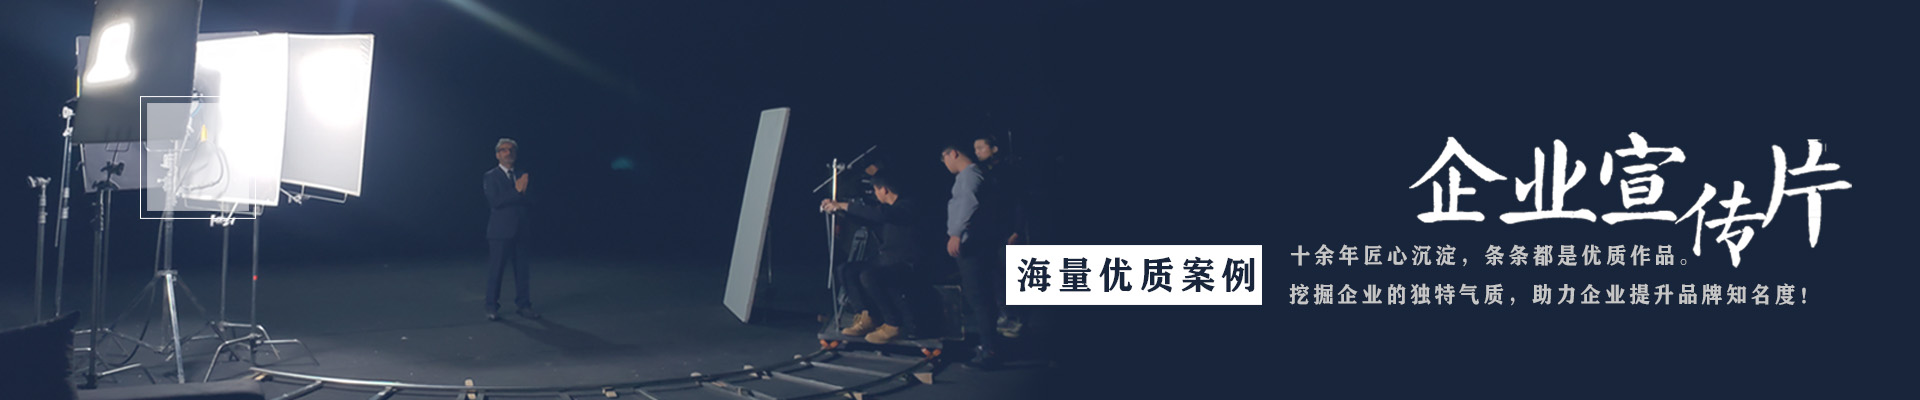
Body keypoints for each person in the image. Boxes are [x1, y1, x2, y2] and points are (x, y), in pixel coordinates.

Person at [823, 176, 920, 343]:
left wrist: (845, 205)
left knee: (869, 275)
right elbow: (869, 219)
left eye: (875, 190)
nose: (875, 194)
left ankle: (893, 324)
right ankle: (867, 316)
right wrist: (840, 212)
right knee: (847, 270)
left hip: (905, 262)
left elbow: (880, 214)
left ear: (884, 190)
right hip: (886, 259)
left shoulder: (906, 207)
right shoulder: (888, 209)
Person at [943, 144, 1013, 368]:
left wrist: (956, 233)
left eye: (944, 158)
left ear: (953, 154)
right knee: (981, 296)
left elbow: (969, 203)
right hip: (979, 243)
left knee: (979, 296)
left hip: (972, 244)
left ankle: (990, 351)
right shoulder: (974, 175)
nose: (945, 164)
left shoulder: (970, 175)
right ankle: (988, 345)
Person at [973, 133, 1031, 339]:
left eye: (981, 148)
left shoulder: (1007, 172)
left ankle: (1018, 318)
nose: (977, 152)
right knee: (997, 276)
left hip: (1007, 231)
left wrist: (1017, 230)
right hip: (993, 233)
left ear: (994, 149)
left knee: (1010, 275)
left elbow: (1019, 202)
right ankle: (1006, 315)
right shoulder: (983, 173)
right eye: (975, 149)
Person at [482, 138, 539, 321]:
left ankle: (524, 305)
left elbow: (532, 199)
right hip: (500, 232)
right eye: (504, 150)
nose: (509, 153)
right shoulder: (491, 176)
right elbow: (495, 201)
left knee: (522, 272)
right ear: (497, 155)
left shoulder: (522, 175)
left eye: (512, 150)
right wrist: (517, 192)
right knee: (496, 270)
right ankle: (491, 306)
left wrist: (522, 192)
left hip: (522, 229)